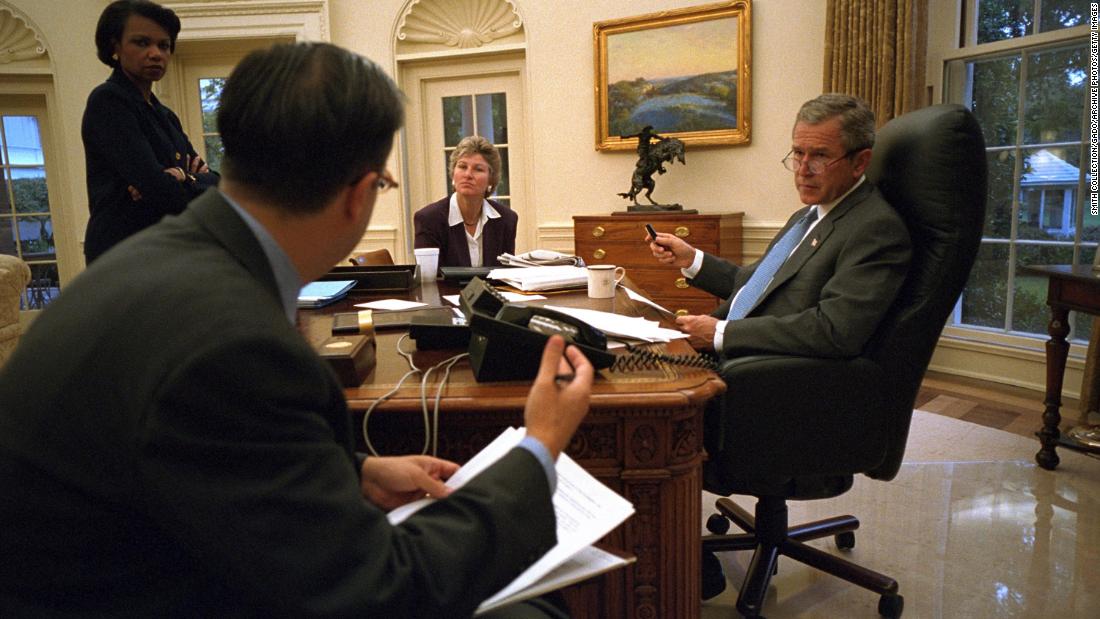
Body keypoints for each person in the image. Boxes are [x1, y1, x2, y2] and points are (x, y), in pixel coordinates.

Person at [0, 42, 594, 618]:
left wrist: (355, 470)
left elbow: (207, 450)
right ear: (359, 195)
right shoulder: (236, 344)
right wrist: (539, 447)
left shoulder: (160, 257)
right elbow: (378, 591)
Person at [646, 93, 912, 599]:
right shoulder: (810, 217)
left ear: (860, 161)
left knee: (654, 422)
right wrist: (692, 259)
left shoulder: (875, 229)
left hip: (788, 393)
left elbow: (836, 330)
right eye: (797, 153)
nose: (803, 169)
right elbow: (757, 284)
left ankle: (679, 562)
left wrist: (720, 333)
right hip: (753, 365)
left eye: (818, 156)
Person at [81, 0, 220, 264]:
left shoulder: (165, 116)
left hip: (168, 250)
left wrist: (182, 178)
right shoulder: (108, 101)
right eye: (142, 43)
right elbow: (160, 191)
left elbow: (216, 185)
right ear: (115, 48)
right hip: (123, 254)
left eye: (164, 45)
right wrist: (182, 178)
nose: (156, 53)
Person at [414, 135, 518, 268]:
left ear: (491, 180)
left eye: (478, 169)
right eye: (462, 167)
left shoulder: (507, 219)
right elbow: (428, 280)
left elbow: (506, 276)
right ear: (453, 174)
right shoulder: (428, 219)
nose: (468, 175)